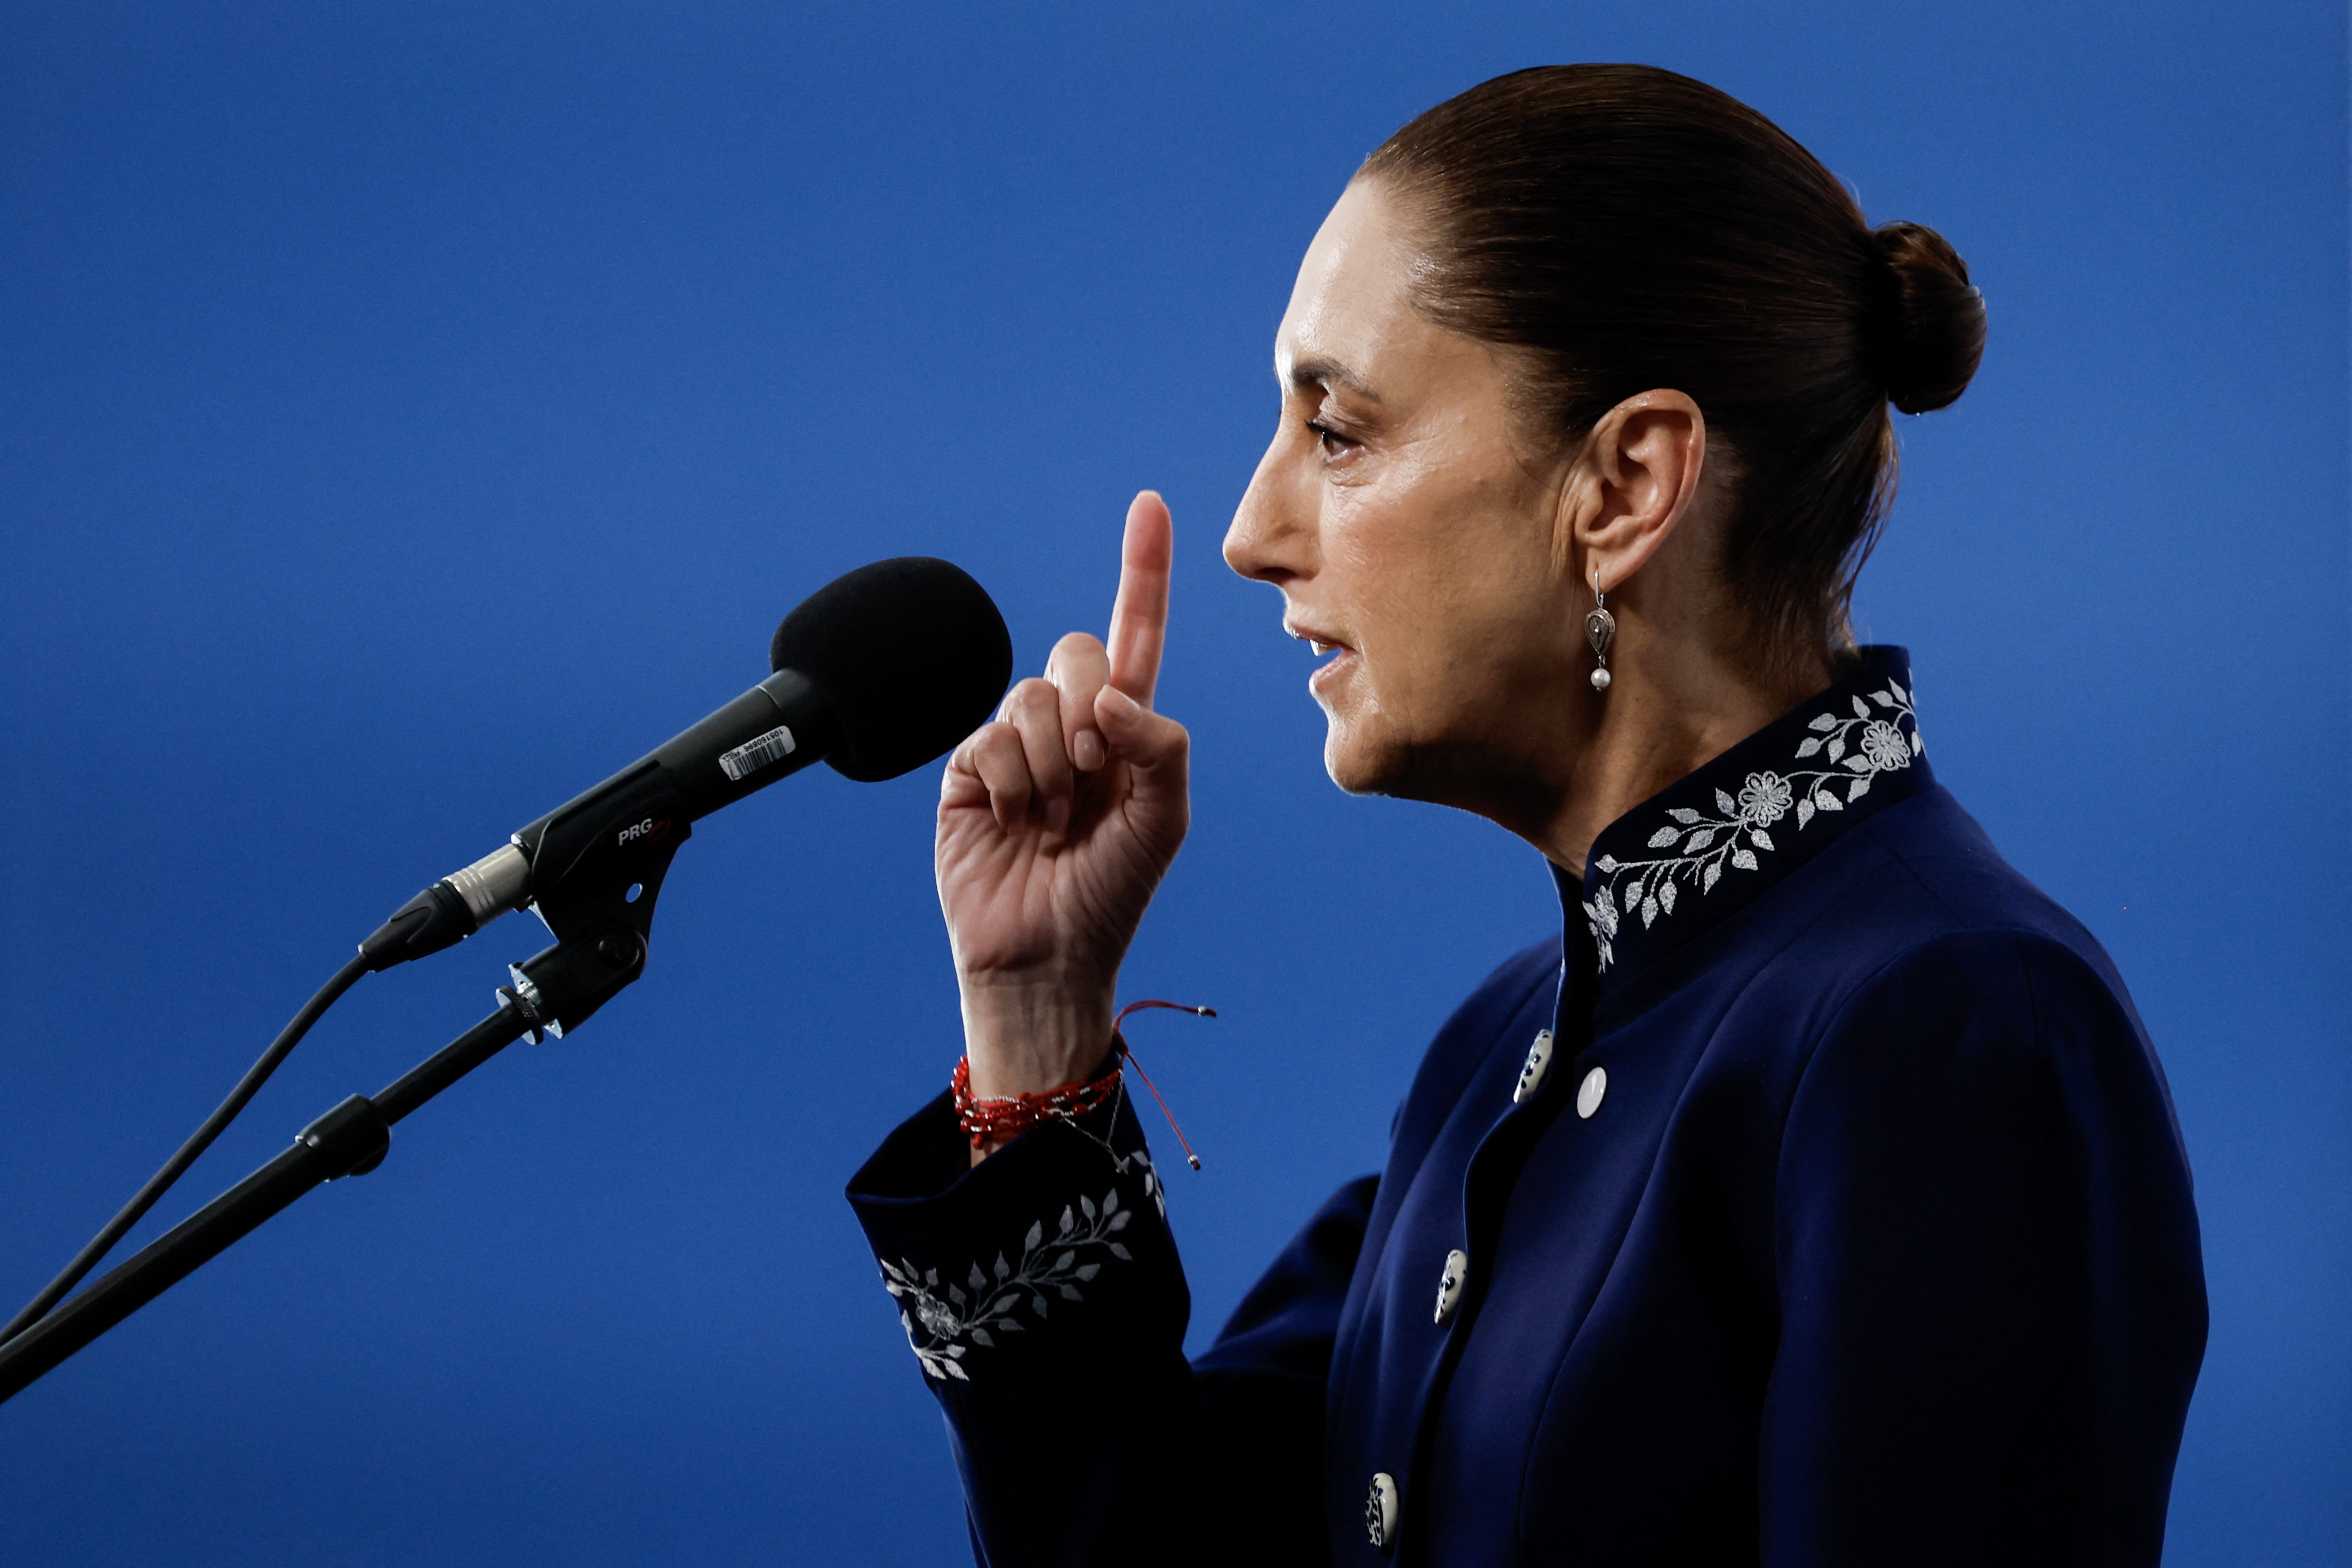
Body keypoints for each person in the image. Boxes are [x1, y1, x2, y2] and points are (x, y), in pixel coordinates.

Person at [845, 64, 2206, 1567]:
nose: (1250, 531)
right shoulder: (1502, 1051)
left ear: (1624, 483)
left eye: (1338, 429)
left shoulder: (1953, 1022)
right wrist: (1036, 1029)